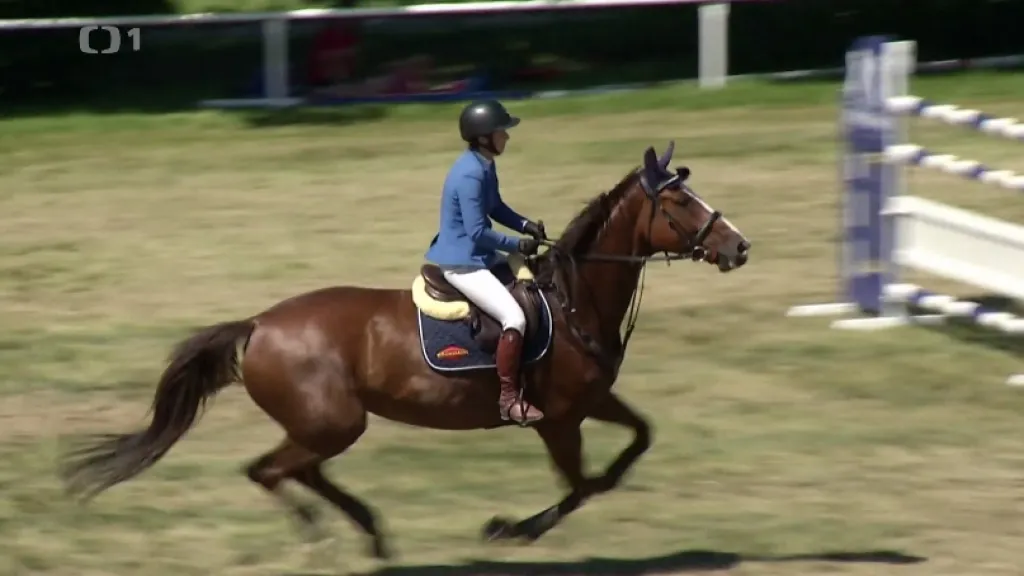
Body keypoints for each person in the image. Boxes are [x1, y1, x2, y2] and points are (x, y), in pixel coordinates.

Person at [424, 100, 548, 424]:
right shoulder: (470, 174)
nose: (506, 136)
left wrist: (525, 225)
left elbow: (495, 207)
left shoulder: (483, 164)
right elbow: (477, 231)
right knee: (514, 318)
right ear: (483, 137)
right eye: (500, 131)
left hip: (480, 255)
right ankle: (509, 399)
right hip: (463, 263)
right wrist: (517, 244)